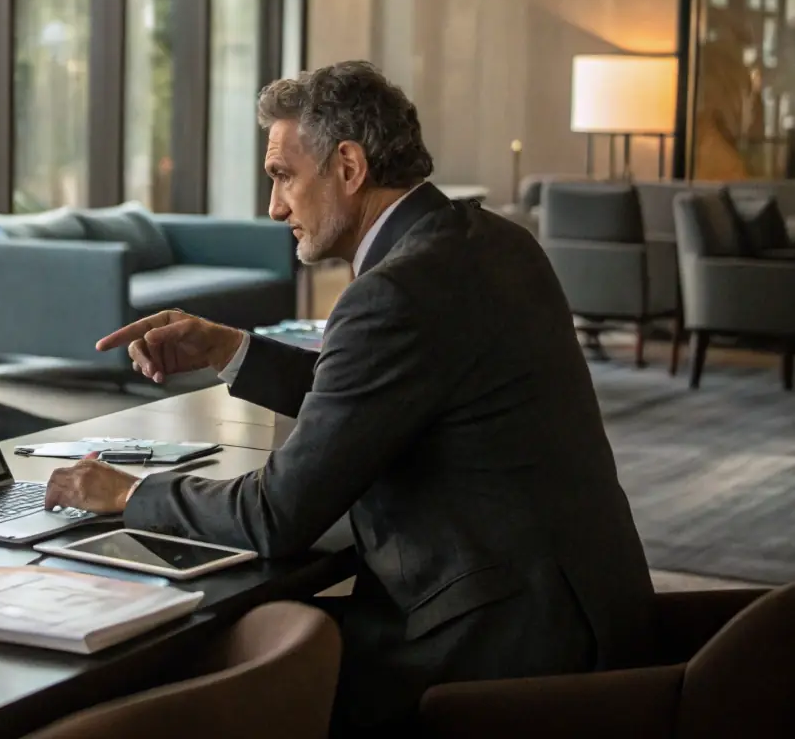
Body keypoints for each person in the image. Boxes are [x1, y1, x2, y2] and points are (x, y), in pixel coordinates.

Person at [45, 62, 654, 733]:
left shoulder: (392, 292)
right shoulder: (490, 241)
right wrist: (229, 349)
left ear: (348, 165)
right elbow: (381, 398)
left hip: (498, 647)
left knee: (197, 663)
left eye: (282, 176)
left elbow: (276, 514)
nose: (275, 208)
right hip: (590, 604)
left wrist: (127, 493)